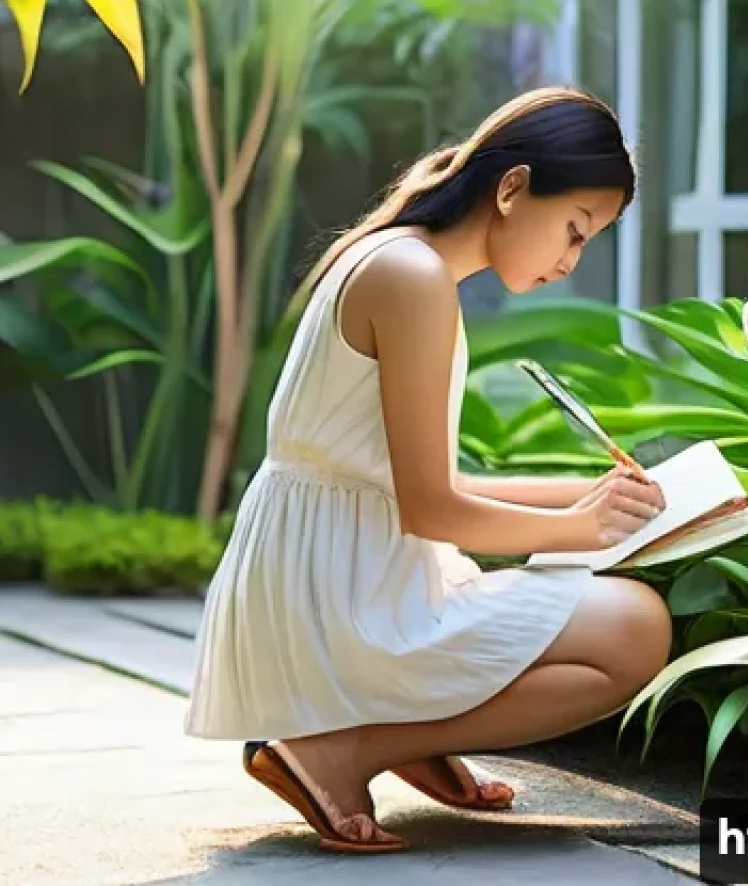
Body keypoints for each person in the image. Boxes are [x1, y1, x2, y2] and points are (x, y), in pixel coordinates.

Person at [184, 86, 673, 854]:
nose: (570, 262)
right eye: (574, 231)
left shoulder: (405, 263)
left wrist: (588, 499)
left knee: (625, 618)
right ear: (513, 189)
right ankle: (344, 749)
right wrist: (577, 530)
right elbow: (430, 508)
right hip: (346, 598)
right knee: (636, 630)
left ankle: (400, 733)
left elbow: (414, 483)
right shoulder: (411, 278)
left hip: (345, 570)